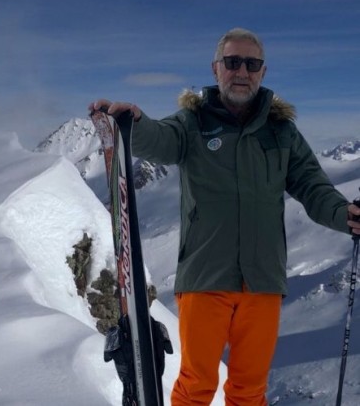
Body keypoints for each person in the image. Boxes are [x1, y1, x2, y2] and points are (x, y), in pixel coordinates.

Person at [89, 27, 360, 405]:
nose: (242, 71)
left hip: (262, 280)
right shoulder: (192, 123)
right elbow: (160, 139)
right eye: (233, 62)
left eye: (252, 64)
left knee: (250, 390)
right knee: (196, 385)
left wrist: (344, 214)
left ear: (263, 72)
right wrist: (135, 124)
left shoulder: (282, 132)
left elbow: (313, 188)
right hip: (205, 277)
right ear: (216, 69)